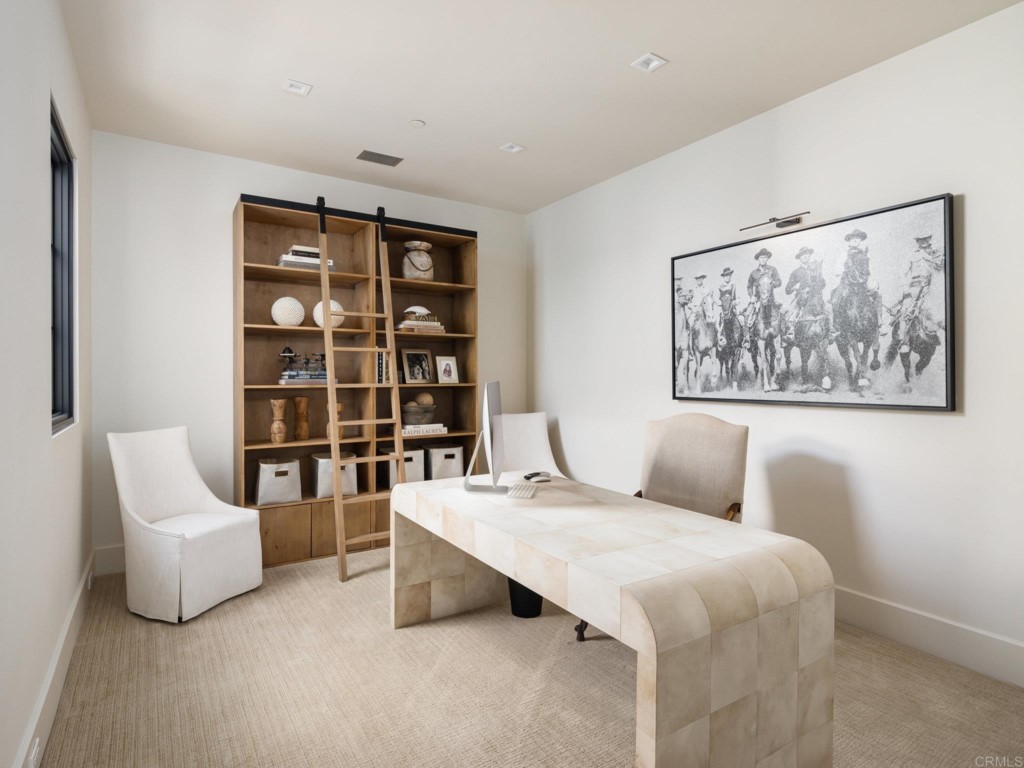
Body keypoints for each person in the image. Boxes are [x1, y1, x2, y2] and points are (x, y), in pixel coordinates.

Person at [893, 234, 944, 352]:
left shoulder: (938, 254)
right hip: (915, 289)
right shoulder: (912, 255)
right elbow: (902, 274)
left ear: (930, 239)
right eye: (920, 239)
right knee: (906, 311)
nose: (924, 241)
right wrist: (905, 288)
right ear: (917, 241)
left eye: (926, 238)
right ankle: (904, 341)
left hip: (933, 288)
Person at [746, 247, 781, 335]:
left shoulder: (772, 270)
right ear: (758, 259)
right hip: (757, 300)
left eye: (765, 257)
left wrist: (772, 283)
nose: (763, 259)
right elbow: (749, 286)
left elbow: (779, 282)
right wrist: (752, 296)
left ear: (767, 258)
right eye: (761, 257)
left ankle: (783, 338)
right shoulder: (753, 273)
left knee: (783, 314)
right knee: (747, 315)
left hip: (771, 299)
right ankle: (747, 340)